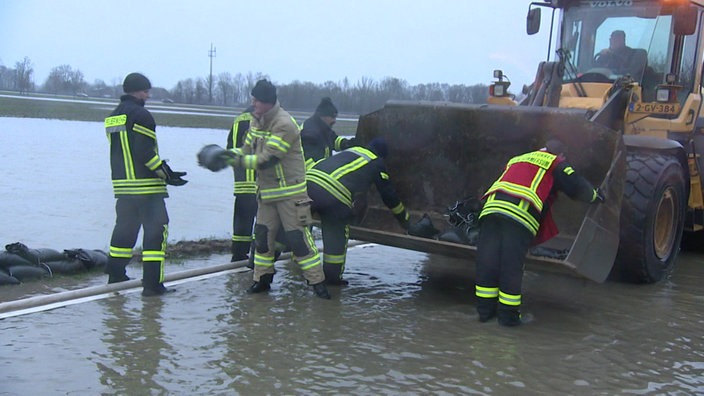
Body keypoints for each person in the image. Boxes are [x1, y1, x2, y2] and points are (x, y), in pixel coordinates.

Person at [474, 139, 604, 326]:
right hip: (517, 216)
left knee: (489, 263)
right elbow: (575, 185)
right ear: (561, 155)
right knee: (511, 267)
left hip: (490, 212)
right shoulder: (555, 162)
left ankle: (485, 314)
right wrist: (595, 195)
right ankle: (508, 319)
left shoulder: (518, 159)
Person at [225, 79, 330, 299]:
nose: (252, 104)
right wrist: (228, 156)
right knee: (262, 239)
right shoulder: (256, 121)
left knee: (298, 240)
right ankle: (261, 279)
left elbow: (267, 159)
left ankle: (317, 282)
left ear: (267, 102)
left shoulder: (285, 124)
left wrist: (239, 162)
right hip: (267, 194)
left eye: (256, 100)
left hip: (291, 194)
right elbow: (247, 148)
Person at [104, 72, 188, 296]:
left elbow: (125, 152)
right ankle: (152, 285)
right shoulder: (142, 115)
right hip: (147, 188)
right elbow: (145, 152)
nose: (148, 96)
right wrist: (165, 174)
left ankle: (115, 276)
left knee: (124, 232)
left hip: (123, 187)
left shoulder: (113, 117)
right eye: (146, 91)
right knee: (155, 233)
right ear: (137, 91)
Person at [306, 137, 410, 285]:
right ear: (382, 155)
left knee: (293, 227)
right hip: (331, 193)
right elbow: (389, 195)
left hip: (307, 185)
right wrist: (405, 221)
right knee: (336, 236)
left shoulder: (351, 152)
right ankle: (332, 279)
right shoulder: (375, 161)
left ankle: (267, 266)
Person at [226, 105, 257, 263]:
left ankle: (238, 255)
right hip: (261, 183)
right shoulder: (268, 120)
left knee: (241, 221)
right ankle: (257, 257)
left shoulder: (238, 120)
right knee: (264, 222)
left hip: (242, 182)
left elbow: (229, 151)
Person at [300, 97, 357, 169]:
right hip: (309, 175)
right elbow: (308, 162)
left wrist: (349, 143)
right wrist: (328, 169)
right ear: (322, 116)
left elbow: (334, 140)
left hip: (321, 170)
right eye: (332, 117)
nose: (334, 121)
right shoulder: (309, 132)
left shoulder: (324, 127)